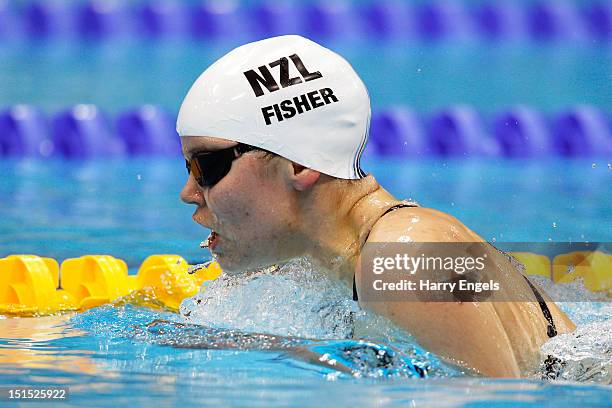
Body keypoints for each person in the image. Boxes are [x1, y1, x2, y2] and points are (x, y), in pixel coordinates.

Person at [176, 35, 575, 377]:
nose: (189, 191)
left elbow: (495, 401)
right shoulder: (320, 261)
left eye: (206, 166)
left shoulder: (407, 257)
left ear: (299, 161)